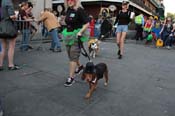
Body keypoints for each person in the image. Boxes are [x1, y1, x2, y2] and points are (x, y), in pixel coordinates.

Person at [62, 0, 89, 86]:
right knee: (70, 55)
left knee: (73, 57)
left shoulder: (79, 10)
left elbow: (87, 23)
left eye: (72, 0)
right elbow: (68, 22)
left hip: (76, 36)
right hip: (68, 35)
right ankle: (80, 67)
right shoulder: (68, 10)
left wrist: (80, 32)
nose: (70, 1)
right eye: (68, 0)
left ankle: (71, 78)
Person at [0, 0, 20, 71]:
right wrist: (16, 15)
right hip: (9, 27)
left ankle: (0, 65)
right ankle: (11, 65)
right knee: (11, 46)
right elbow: (12, 16)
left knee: (3, 47)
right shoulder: (8, 2)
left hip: (1, 26)